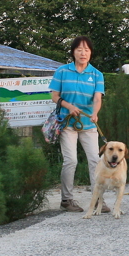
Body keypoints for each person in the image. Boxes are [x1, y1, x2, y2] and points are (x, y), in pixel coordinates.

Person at [49, 36, 108, 213]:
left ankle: (99, 200)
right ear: (73, 52)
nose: (83, 53)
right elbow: (54, 96)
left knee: (95, 160)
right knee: (71, 160)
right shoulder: (62, 71)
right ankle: (66, 200)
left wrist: (95, 113)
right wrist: (68, 106)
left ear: (91, 53)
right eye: (79, 49)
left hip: (88, 124)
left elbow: (98, 98)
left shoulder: (97, 74)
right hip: (67, 122)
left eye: (87, 50)